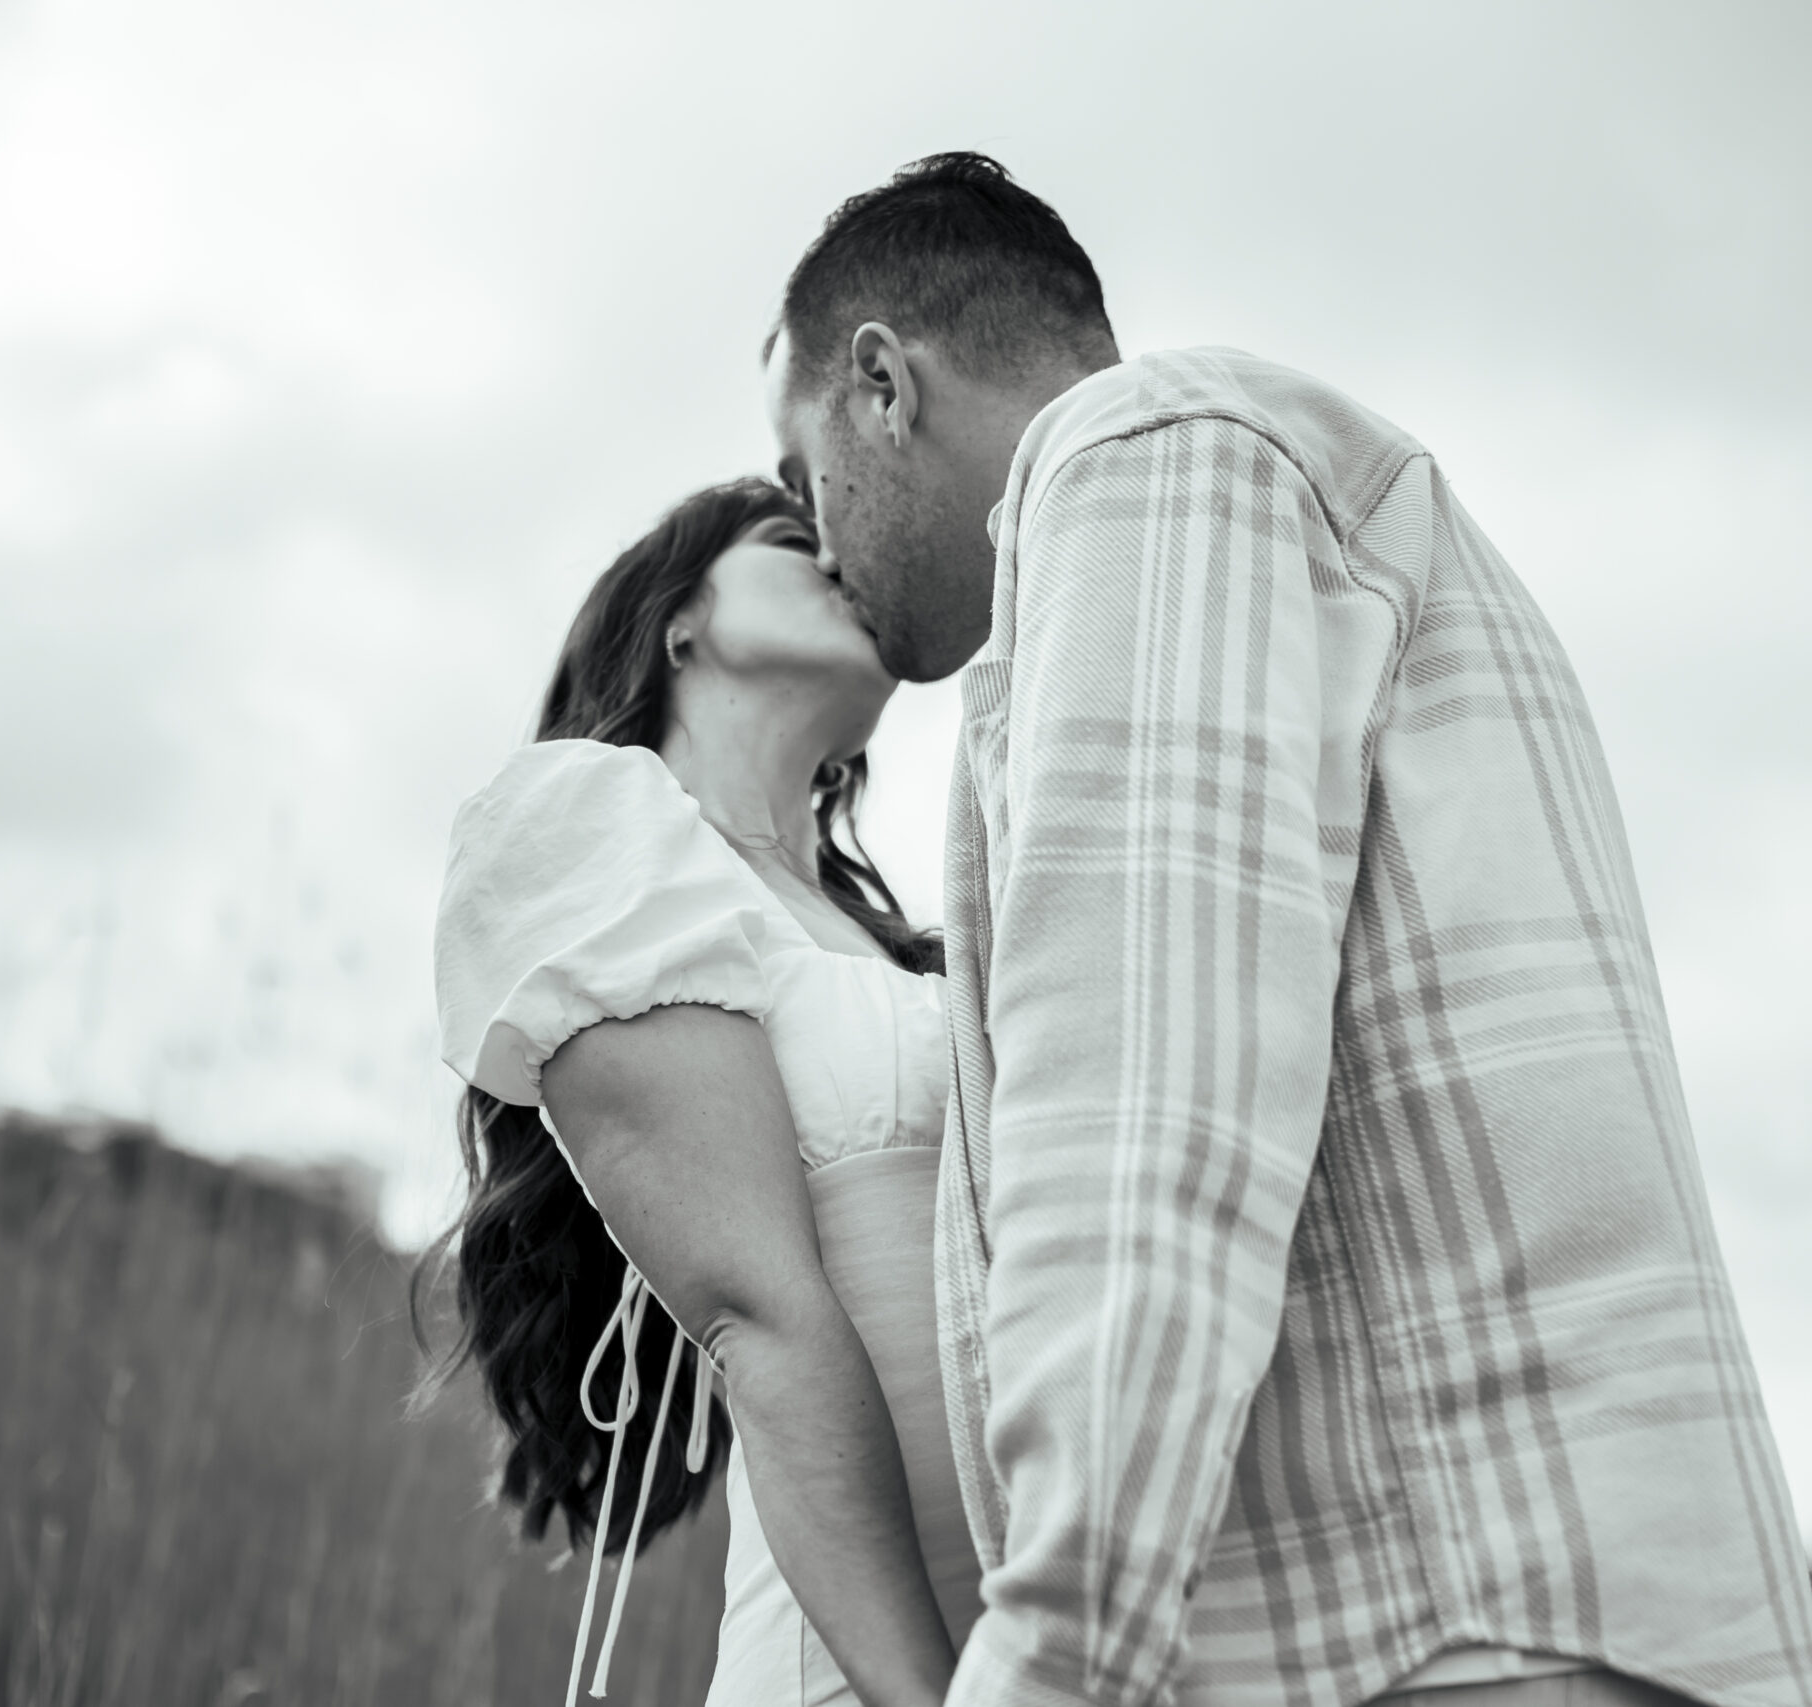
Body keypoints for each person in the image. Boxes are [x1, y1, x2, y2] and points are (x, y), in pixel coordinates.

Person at [759, 152, 1812, 1707]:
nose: (817, 540)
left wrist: (1054, 1644)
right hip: (1518, 1603)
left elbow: (1148, 1113)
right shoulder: (1289, 489)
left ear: (880, 384)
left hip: (1447, 1633)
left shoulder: (1146, 465)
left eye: (802, 479)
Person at [430, 479, 978, 1707]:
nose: (840, 547)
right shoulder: (597, 836)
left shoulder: (912, 948)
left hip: (1046, 1640)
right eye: (792, 538)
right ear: (681, 621)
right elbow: (758, 1314)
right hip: (868, 1669)